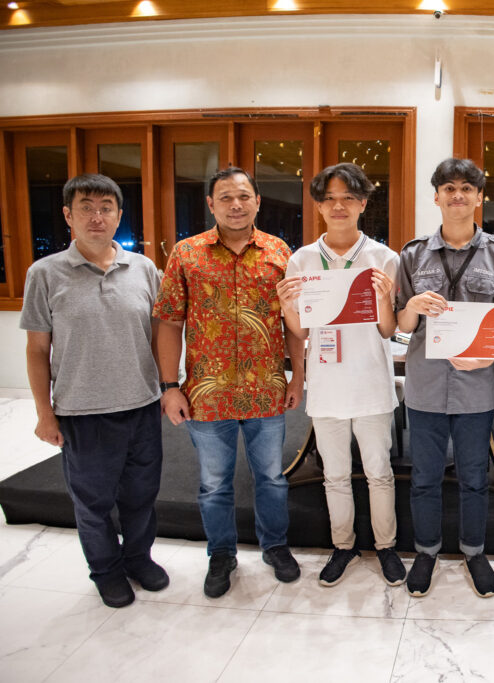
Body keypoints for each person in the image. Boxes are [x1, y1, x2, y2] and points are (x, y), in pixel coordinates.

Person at [154, 166, 305, 599]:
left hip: (267, 390)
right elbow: (169, 322)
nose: (235, 205)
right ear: (211, 204)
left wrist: (298, 376)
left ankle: (275, 546)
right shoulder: (186, 254)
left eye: (243, 197)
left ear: (257, 201)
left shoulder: (280, 252)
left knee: (272, 478)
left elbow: (294, 324)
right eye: (225, 197)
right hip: (207, 393)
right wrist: (169, 386)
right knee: (214, 484)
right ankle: (221, 554)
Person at [21, 173, 167, 608]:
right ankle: (106, 570)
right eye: (86, 207)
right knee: (93, 502)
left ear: (119, 215)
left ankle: (138, 558)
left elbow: (157, 334)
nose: (97, 216)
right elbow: (37, 349)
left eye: (106, 208)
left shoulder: (143, 269)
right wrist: (44, 413)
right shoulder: (45, 273)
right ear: (68, 215)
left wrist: (167, 387)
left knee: (141, 495)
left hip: (142, 405)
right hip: (82, 411)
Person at [276, 163, 406, 587]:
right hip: (327, 385)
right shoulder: (302, 259)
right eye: (329, 198)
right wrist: (287, 306)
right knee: (334, 475)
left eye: (348, 198)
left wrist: (384, 300)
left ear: (363, 203)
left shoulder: (384, 258)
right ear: (318, 206)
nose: (338, 206)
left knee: (379, 472)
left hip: (371, 382)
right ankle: (343, 546)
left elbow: (388, 330)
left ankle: (386, 547)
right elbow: (301, 332)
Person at [395, 158, 494, 598]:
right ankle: (426, 552)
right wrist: (412, 306)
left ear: (479, 197)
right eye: (449, 188)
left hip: (475, 388)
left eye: (467, 188)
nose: (458, 195)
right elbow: (400, 324)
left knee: (474, 478)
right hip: (425, 385)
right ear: (437, 197)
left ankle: (474, 551)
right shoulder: (412, 254)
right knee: (424, 478)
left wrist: (485, 358)